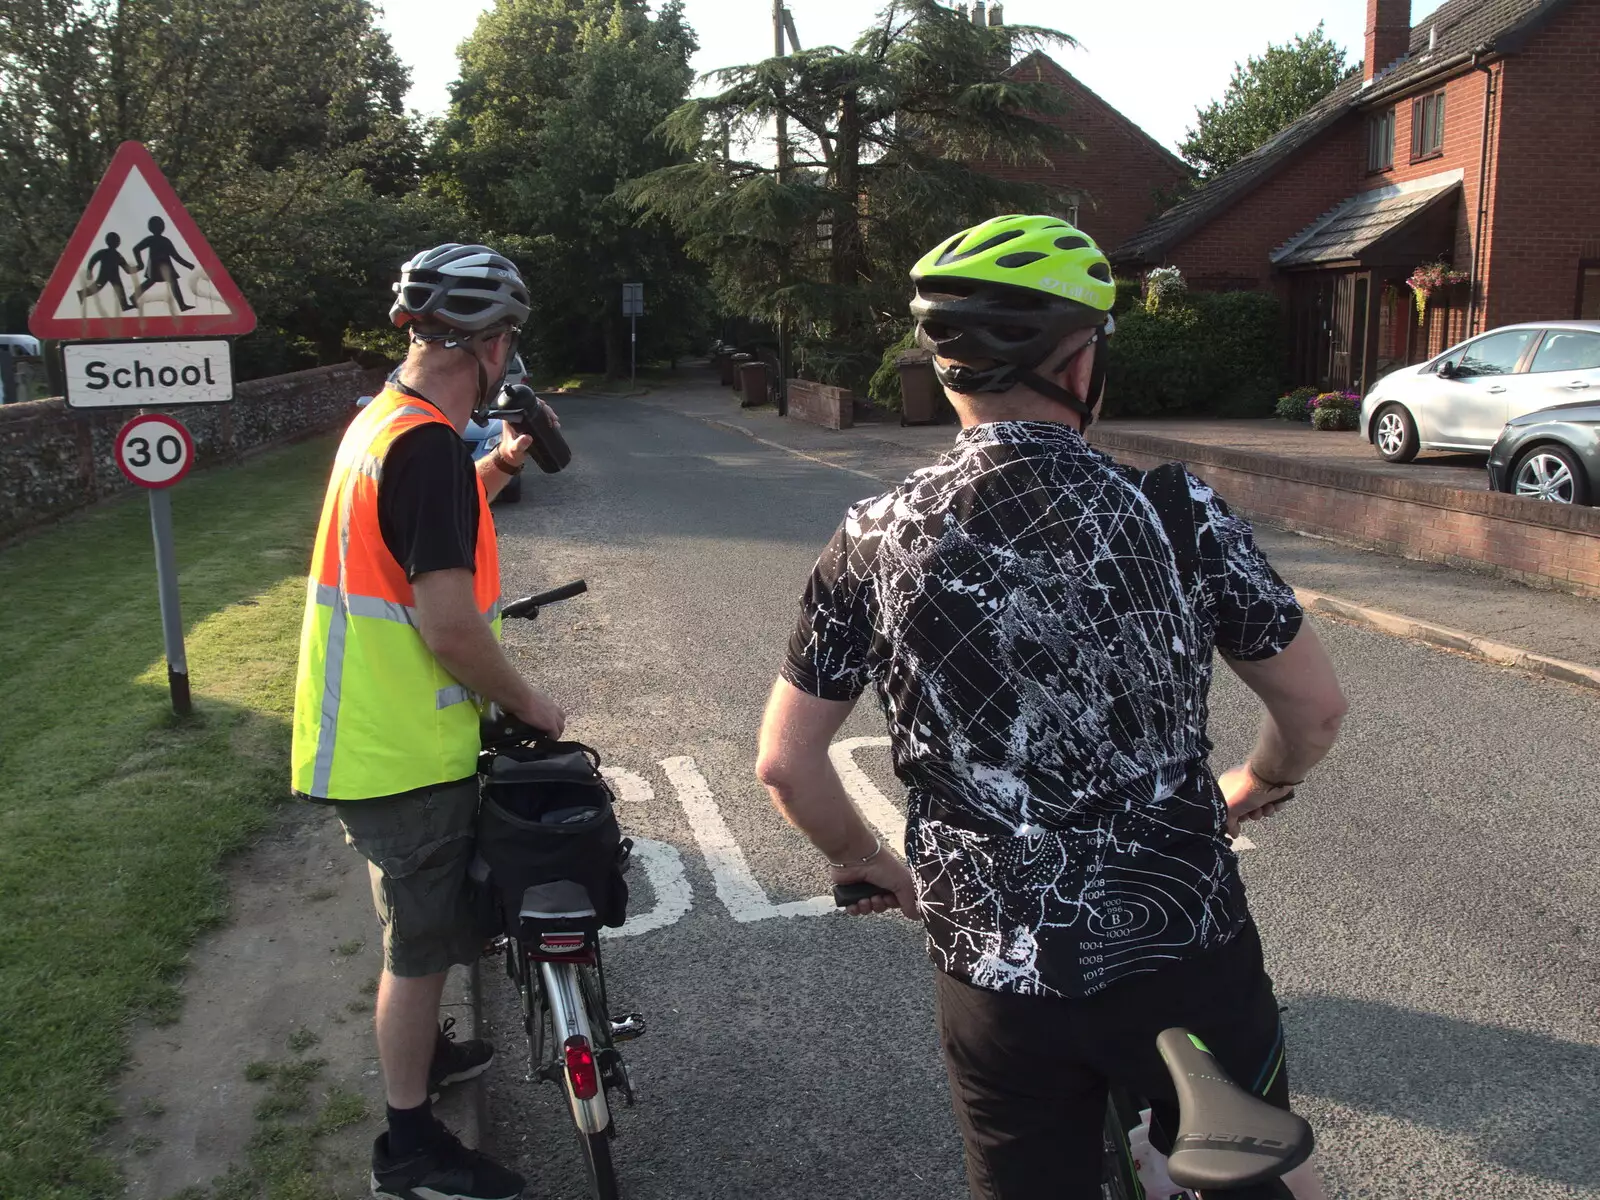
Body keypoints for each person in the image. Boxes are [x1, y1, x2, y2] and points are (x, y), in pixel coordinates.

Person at [755, 214, 1348, 1200]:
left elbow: (785, 762)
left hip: (995, 973)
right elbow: (1315, 708)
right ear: (1080, 362)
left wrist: (861, 860)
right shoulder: (1173, 509)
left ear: (946, 369)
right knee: (1259, 1173)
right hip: (1183, 950)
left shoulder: (869, 537)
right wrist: (1258, 780)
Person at [292, 243, 565, 1200]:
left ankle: (428, 1063)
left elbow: (408, 534)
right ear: (487, 346)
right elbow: (449, 628)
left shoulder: (391, 425)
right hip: (401, 752)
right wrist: (531, 702)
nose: (512, 359)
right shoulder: (423, 449)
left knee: (421, 929)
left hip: (371, 736)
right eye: (509, 341)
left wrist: (490, 472)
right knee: (419, 952)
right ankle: (408, 1146)